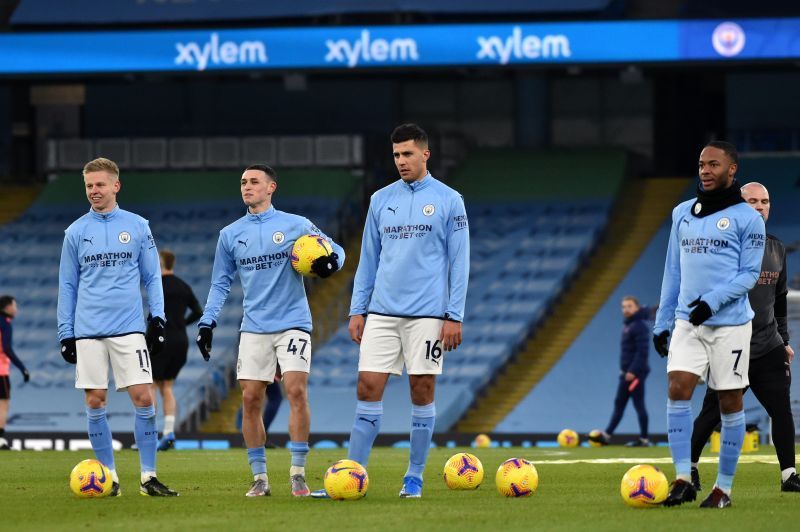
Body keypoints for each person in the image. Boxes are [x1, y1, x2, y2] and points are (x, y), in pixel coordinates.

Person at [312, 123, 470, 499]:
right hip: (382, 312)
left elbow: (460, 261)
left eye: (408, 154)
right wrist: (357, 309)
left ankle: (413, 476)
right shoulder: (381, 199)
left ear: (425, 154)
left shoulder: (450, 200)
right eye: (396, 155)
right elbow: (368, 258)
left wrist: (454, 314)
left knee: (422, 389)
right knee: (367, 387)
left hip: (429, 315)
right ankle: (352, 474)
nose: (401, 161)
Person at [196, 164, 344, 498]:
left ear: (271, 187)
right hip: (254, 328)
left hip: (293, 322)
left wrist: (329, 263)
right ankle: (260, 478)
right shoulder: (230, 234)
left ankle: (298, 473)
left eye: (254, 182)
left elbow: (338, 251)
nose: (246, 187)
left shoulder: (296, 225)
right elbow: (220, 283)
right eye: (243, 182)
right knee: (250, 399)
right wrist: (207, 321)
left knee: (295, 391)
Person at [653, 141, 766, 509]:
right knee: (677, 387)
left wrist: (712, 303)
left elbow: (750, 275)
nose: (705, 170)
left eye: (713, 164)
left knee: (730, 401)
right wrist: (662, 322)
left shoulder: (747, 218)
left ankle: (724, 489)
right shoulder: (682, 213)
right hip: (688, 322)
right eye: (701, 164)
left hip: (730, 325)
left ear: (731, 170)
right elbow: (673, 270)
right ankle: (684, 477)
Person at [57, 157, 177, 497]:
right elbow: (67, 285)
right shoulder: (76, 232)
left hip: (129, 329)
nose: (94, 191)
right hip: (88, 331)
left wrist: (158, 318)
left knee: (144, 397)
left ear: (115, 186)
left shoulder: (138, 226)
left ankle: (148, 477)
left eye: (99, 185)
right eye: (89, 186)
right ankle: (109, 477)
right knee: (95, 401)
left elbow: (153, 277)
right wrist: (65, 332)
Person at [690, 182, 799, 492]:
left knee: (781, 410)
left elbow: (779, 299)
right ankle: (691, 470)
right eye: (752, 201)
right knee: (711, 414)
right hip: (729, 346)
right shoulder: (720, 248)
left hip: (769, 347)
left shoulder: (776, 247)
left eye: (765, 201)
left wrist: (785, 339)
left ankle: (788, 475)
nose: (760, 206)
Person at [151, 249, 203, 451]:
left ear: (162, 263)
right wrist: (181, 323)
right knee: (168, 387)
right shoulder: (183, 286)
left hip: (161, 338)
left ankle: (149, 436)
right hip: (180, 340)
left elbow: (153, 317)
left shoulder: (157, 285)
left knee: (152, 386)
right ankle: (169, 432)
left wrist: (148, 340)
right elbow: (198, 311)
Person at [589, 296, 651, 447]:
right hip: (626, 373)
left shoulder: (639, 326)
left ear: (637, 307)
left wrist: (633, 371)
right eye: (623, 307)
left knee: (639, 404)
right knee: (619, 403)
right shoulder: (629, 325)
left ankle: (644, 440)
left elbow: (642, 352)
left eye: (629, 306)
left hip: (634, 374)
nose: (626, 309)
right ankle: (607, 436)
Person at [0, 295, 30, 450]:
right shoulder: (5, 323)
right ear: (7, 307)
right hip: (1, 371)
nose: (16, 309)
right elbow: (6, 348)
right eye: (14, 305)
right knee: (4, 403)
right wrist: (22, 368)